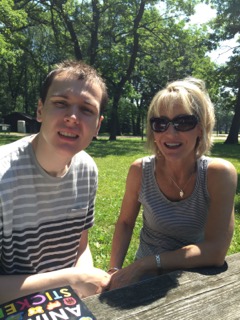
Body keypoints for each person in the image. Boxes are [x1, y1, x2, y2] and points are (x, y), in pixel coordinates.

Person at [108, 77, 238, 290]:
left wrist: (147, 263)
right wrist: (114, 270)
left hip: (197, 273)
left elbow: (215, 252)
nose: (170, 133)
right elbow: (125, 223)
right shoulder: (140, 171)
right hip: (145, 276)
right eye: (160, 123)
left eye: (183, 122)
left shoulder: (218, 174)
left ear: (201, 127)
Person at [0, 60, 111, 303]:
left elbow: (81, 247)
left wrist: (83, 282)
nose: (72, 117)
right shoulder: (2, 176)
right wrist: (71, 279)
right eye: (61, 104)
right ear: (40, 110)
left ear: (97, 126)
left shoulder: (87, 169)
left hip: (66, 303)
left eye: (86, 109)